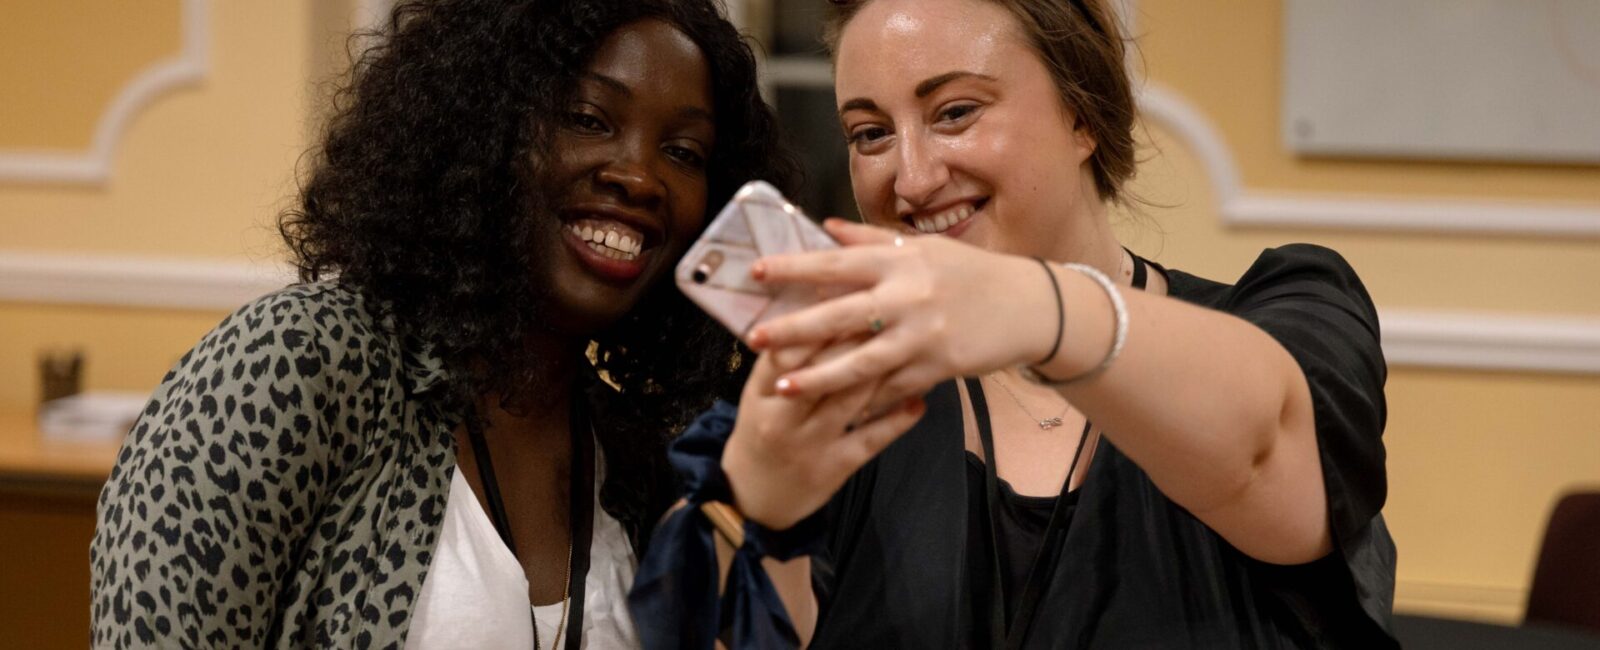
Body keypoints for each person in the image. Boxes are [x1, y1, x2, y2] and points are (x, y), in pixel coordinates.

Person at [633, 0, 1395, 647]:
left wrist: (1036, 306)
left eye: (955, 113)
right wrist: (760, 507)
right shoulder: (845, 392)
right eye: (870, 134)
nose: (912, 177)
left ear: (1081, 113)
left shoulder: (1288, 312)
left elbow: (1272, 460)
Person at [89, 1, 798, 647]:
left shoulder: (634, 452)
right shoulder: (300, 363)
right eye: (588, 118)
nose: (641, 176)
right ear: (483, 128)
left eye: (683, 153)